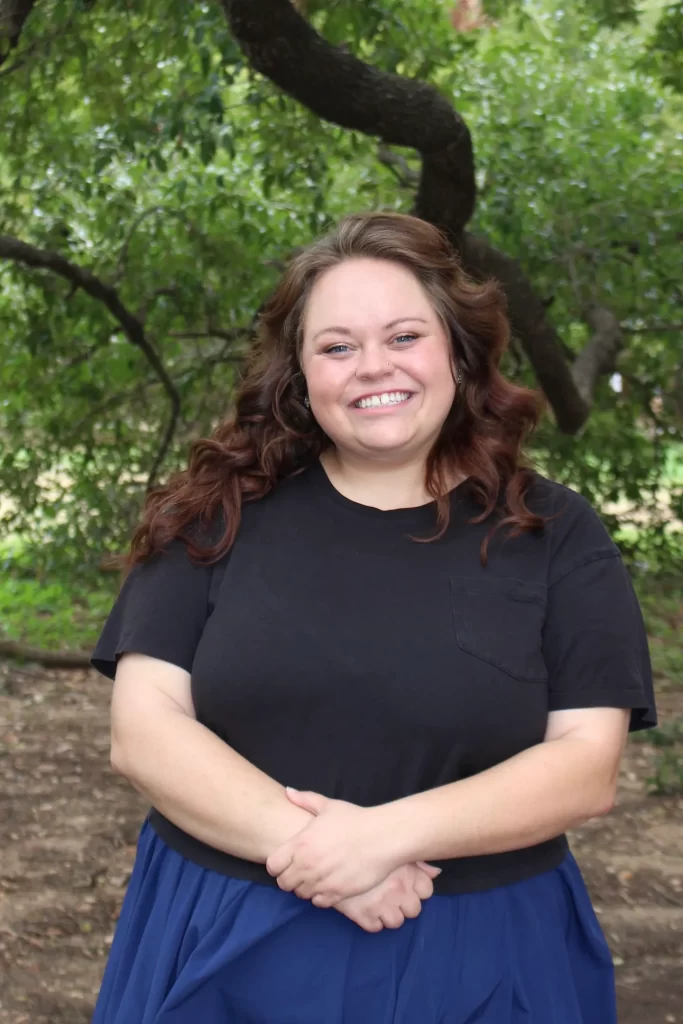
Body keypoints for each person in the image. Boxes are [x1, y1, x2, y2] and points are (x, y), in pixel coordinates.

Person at [90, 211, 656, 1024]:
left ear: (458, 354)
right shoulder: (213, 514)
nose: (371, 367)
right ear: (300, 373)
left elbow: (584, 765)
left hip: (486, 954)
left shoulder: (554, 532)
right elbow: (143, 731)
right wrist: (324, 854)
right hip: (222, 939)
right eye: (337, 346)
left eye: (402, 336)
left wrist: (381, 839)